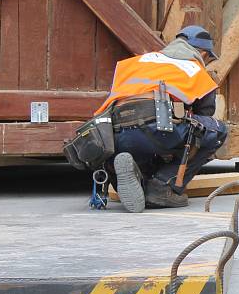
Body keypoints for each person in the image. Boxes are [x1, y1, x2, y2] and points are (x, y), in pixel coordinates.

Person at [95, 25, 228, 212]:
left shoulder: (136, 62)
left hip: (117, 133)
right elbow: (204, 114)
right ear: (203, 53)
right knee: (217, 130)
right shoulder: (195, 69)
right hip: (158, 127)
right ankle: (163, 186)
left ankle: (138, 179)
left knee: (139, 138)